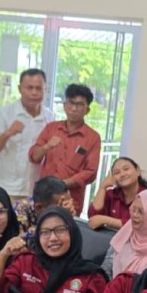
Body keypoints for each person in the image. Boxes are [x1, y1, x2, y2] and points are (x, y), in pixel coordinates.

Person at [29, 83, 101, 215]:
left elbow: (91, 172)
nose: (74, 108)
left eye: (79, 105)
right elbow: (34, 157)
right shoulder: (51, 128)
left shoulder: (93, 137)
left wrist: (63, 184)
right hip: (43, 198)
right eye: (71, 103)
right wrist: (47, 146)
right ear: (64, 105)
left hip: (70, 200)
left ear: (87, 110)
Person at [0, 69, 55, 201]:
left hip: (37, 191)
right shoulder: (5, 113)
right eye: (29, 88)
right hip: (8, 189)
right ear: (20, 89)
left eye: (38, 88)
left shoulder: (50, 118)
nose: (34, 92)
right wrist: (8, 133)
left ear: (45, 90)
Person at [102, 188, 147, 279]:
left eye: (141, 212)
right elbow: (105, 270)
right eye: (133, 209)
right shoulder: (127, 232)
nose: (135, 215)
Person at [87, 156, 147, 229]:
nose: (122, 174)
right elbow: (93, 217)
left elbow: (140, 224)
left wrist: (107, 220)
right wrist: (102, 187)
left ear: (138, 171)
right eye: (117, 172)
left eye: (126, 169)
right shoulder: (112, 194)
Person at [14, 175, 75, 240]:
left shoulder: (67, 212)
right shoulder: (20, 209)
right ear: (39, 207)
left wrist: (68, 220)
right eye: (59, 207)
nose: (67, 207)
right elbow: (21, 240)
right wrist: (57, 218)